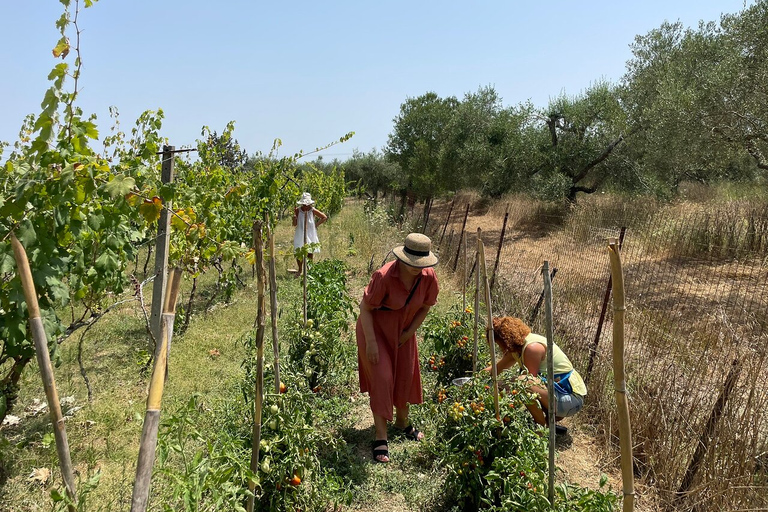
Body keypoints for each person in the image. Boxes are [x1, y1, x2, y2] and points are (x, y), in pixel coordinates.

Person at [357, 233, 439, 463]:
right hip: (374, 329)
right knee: (382, 377)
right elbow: (365, 308)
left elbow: (426, 306)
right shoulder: (384, 276)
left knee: (405, 375)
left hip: (403, 332)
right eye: (411, 263)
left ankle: (403, 422)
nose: (416, 268)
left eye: (420, 264)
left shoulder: (428, 277)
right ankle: (380, 436)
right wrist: (371, 343)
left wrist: (410, 332)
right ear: (402, 258)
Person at [485, 316, 587, 435]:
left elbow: (529, 383)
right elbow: (495, 369)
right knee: (504, 384)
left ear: (505, 339)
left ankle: (542, 430)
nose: (500, 348)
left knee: (523, 383)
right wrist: (474, 380)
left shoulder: (532, 348)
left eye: (499, 344)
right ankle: (548, 423)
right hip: (557, 395)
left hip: (570, 399)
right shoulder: (518, 348)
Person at [292, 192, 327, 274]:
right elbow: (294, 224)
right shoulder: (297, 210)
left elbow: (324, 217)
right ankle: (300, 270)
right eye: (304, 204)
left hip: (310, 233)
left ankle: (310, 270)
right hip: (300, 232)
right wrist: (294, 218)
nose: (305, 206)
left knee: (310, 251)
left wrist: (315, 226)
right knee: (299, 250)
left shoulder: (312, 210)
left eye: (307, 204)